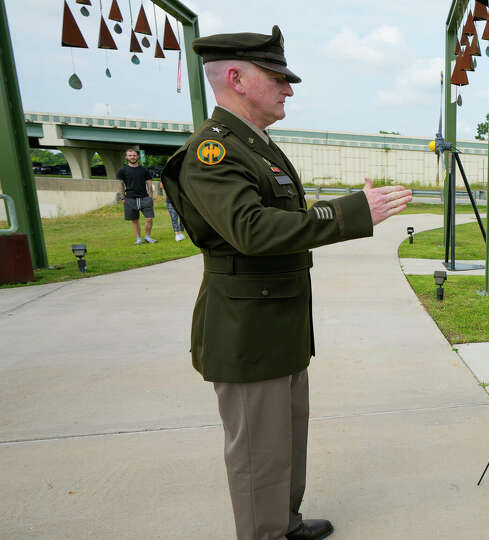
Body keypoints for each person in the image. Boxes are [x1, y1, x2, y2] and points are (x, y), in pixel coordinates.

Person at [160, 25, 412, 540]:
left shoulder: (255, 146)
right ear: (236, 77)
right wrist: (346, 214)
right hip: (248, 329)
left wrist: (339, 210)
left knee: (285, 440)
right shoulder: (214, 152)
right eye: (277, 77)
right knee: (258, 451)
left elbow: (280, 218)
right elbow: (250, 230)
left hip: (278, 324)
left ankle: (283, 523)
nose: (288, 89)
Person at [117, 148, 157, 244]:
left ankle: (148, 237)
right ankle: (138, 239)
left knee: (149, 218)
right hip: (130, 198)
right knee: (134, 220)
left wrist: (150, 197)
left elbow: (149, 184)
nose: (132, 157)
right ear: (126, 157)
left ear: (137, 156)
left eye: (134, 155)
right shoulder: (122, 170)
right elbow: (120, 184)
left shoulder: (144, 169)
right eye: (130, 155)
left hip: (144, 198)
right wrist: (122, 197)